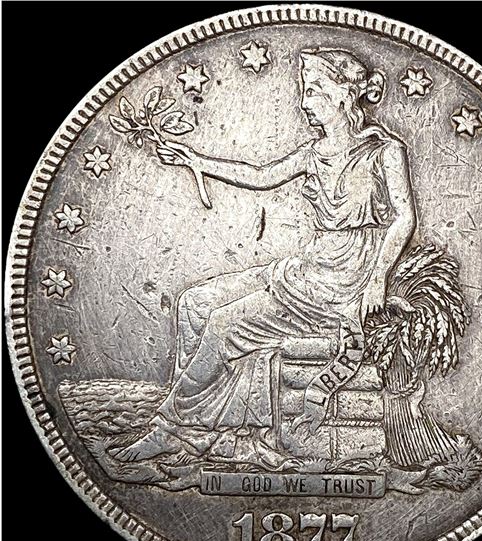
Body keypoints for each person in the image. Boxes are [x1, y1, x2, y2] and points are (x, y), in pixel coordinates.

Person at [111, 48, 417, 465]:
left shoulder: (385, 151)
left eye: (314, 91)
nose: (304, 103)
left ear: (344, 95)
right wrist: (197, 162)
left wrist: (379, 277)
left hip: (343, 281)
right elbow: (261, 176)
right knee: (193, 304)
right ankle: (216, 435)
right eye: (304, 91)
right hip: (307, 271)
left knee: (223, 326)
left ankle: (171, 429)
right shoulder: (314, 153)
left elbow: (404, 218)